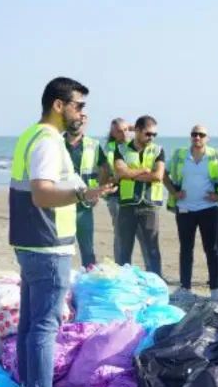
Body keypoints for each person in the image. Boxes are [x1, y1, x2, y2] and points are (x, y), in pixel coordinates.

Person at [10, 77, 114, 387]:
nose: (82, 112)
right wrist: (83, 196)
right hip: (47, 243)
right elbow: (42, 194)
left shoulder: (31, 135)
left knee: (30, 323)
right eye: (78, 105)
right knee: (43, 326)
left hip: (32, 241)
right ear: (59, 105)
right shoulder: (47, 141)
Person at [165, 125, 218, 299]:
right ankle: (185, 288)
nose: (197, 137)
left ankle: (215, 289)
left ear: (207, 138)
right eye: (194, 134)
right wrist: (174, 192)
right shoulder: (180, 154)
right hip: (185, 208)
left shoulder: (216, 155)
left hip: (209, 209)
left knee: (212, 249)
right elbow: (162, 173)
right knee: (186, 249)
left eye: (201, 134)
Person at [113, 115, 165, 275]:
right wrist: (143, 170)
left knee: (152, 250)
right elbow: (120, 172)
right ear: (137, 130)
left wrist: (131, 173)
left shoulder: (158, 150)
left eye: (154, 134)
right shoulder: (121, 149)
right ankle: (124, 284)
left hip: (150, 206)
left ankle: (156, 283)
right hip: (127, 206)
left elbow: (158, 176)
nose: (151, 137)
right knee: (124, 250)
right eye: (148, 133)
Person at [64, 113, 109, 268]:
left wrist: (97, 191)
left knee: (87, 249)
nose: (80, 120)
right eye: (77, 117)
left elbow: (105, 168)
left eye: (83, 118)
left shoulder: (94, 145)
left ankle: (88, 280)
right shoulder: (56, 143)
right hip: (61, 202)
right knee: (61, 247)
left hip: (84, 206)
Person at [105, 118, 148, 266]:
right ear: (112, 133)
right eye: (119, 131)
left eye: (125, 130)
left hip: (136, 197)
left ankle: (151, 271)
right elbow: (115, 174)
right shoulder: (110, 148)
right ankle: (121, 269)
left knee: (144, 236)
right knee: (121, 237)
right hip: (116, 198)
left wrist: (128, 172)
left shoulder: (135, 145)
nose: (123, 133)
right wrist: (137, 171)